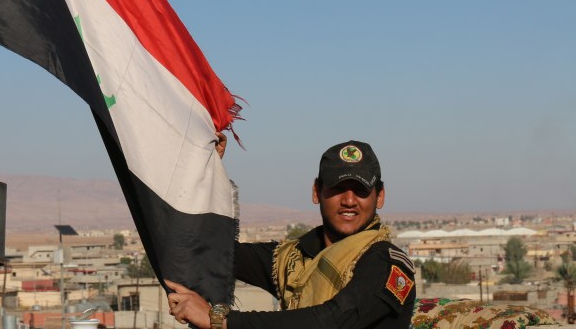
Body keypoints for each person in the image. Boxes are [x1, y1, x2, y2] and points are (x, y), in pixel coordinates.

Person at [166, 140, 416, 329]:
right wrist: (203, 174)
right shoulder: (292, 258)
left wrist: (220, 320)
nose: (349, 200)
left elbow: (331, 320)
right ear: (316, 192)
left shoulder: (386, 262)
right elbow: (205, 248)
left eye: (360, 191)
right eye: (338, 188)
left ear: (380, 196)